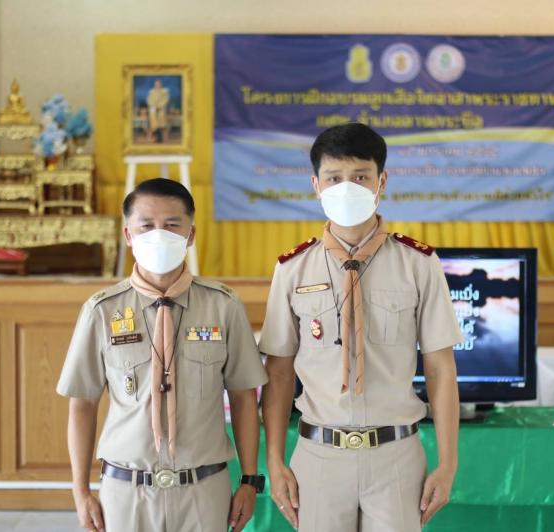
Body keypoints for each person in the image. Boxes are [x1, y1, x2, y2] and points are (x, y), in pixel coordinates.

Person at [259, 123, 464, 531]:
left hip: (396, 455)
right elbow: (278, 373)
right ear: (316, 185)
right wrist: (275, 460)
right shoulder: (292, 268)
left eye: (360, 177)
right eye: (334, 178)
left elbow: (441, 368)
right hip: (318, 455)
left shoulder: (418, 263)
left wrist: (448, 463)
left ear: (381, 182)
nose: (346, 188)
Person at [57, 178, 268, 532]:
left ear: (191, 234)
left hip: (204, 488)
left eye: (171, 225)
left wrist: (249, 480)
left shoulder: (223, 306)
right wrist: (80, 491)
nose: (159, 235)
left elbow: (244, 397)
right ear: (128, 235)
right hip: (127, 490)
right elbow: (82, 403)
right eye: (146, 226)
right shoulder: (101, 311)